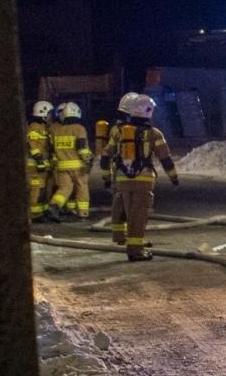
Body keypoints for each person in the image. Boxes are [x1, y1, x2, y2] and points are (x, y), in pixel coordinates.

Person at [105, 94, 179, 262]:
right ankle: (135, 251)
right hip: (143, 181)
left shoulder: (119, 132)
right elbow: (165, 159)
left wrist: (108, 178)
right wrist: (174, 178)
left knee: (127, 212)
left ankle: (125, 240)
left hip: (122, 180)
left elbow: (106, 154)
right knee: (138, 215)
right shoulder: (154, 134)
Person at [98, 93, 138, 246]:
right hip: (133, 172)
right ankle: (134, 241)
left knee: (119, 204)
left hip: (118, 172)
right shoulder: (138, 130)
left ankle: (119, 236)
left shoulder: (116, 129)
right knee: (133, 205)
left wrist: (107, 178)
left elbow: (106, 154)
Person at [48, 102, 95, 220]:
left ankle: (54, 206)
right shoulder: (79, 129)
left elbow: (52, 149)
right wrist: (88, 159)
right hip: (78, 166)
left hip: (61, 166)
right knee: (81, 187)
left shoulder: (57, 130)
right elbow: (82, 148)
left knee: (65, 188)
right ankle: (83, 213)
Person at [27, 99, 57, 223]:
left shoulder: (43, 127)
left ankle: (42, 212)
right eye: (49, 113)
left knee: (43, 190)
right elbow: (32, 145)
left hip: (43, 166)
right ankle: (35, 215)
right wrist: (39, 160)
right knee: (37, 190)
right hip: (34, 166)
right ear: (42, 113)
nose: (51, 116)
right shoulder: (34, 127)